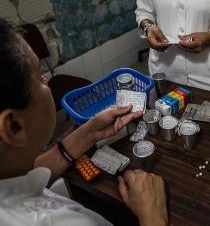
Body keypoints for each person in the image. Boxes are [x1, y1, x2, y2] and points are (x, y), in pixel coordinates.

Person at [0, 18, 168, 226]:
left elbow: (23, 181)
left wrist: (87, 135)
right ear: (13, 126)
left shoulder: (9, 171)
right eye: (39, 76)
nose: (46, 82)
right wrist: (153, 216)